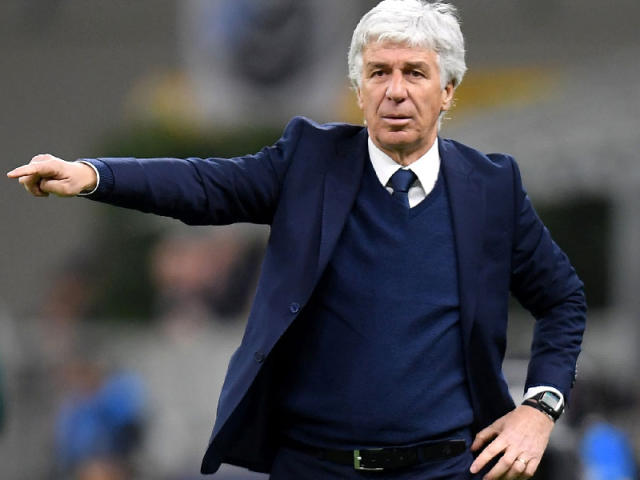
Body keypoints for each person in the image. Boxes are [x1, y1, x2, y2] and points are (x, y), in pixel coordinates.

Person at [7, 1, 586, 478]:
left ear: (449, 89)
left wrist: (539, 407)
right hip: (314, 466)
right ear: (358, 88)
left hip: (446, 468)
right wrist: (95, 176)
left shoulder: (491, 188)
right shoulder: (310, 163)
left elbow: (562, 299)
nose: (395, 91)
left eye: (415, 72)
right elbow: (204, 183)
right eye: (378, 73)